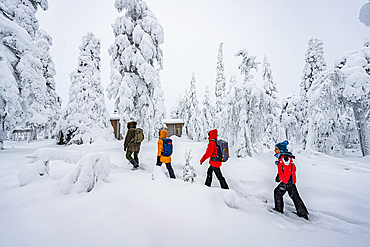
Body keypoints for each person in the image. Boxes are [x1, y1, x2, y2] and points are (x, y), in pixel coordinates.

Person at [273, 141, 309, 220]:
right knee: (295, 196)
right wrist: (279, 176)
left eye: (276, 149)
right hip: (290, 181)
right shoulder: (283, 157)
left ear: (281, 150)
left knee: (277, 193)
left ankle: (278, 210)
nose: (274, 150)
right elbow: (284, 170)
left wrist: (284, 182)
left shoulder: (285, 159)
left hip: (287, 181)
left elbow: (287, 171)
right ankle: (303, 213)